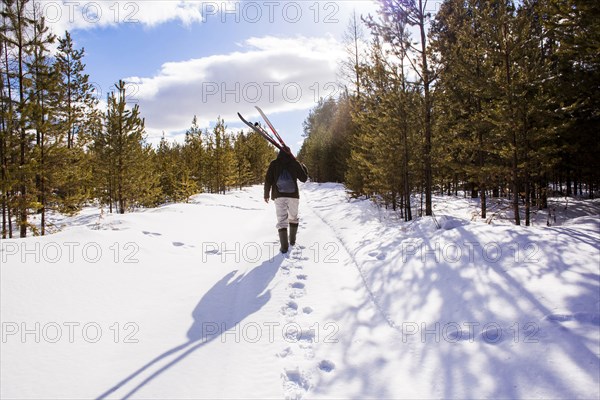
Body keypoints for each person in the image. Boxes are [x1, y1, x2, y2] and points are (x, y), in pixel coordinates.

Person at [264, 146, 308, 253]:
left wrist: (266, 194)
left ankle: (284, 247)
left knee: (281, 220)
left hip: (279, 195)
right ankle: (292, 241)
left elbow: (268, 180)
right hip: (293, 195)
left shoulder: (274, 163)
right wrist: (302, 166)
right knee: (293, 217)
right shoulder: (294, 163)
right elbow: (304, 178)